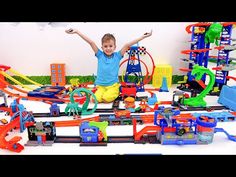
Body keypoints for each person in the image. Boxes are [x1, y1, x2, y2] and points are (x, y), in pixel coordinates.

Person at [65, 28, 152, 103]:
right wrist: (77, 32)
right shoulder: (100, 55)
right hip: (101, 86)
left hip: (113, 86)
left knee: (106, 98)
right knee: (95, 99)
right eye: (105, 46)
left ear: (114, 47)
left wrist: (143, 37)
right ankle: (103, 94)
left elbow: (127, 45)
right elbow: (91, 42)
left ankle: (115, 92)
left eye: (110, 46)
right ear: (102, 47)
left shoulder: (118, 56)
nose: (108, 48)